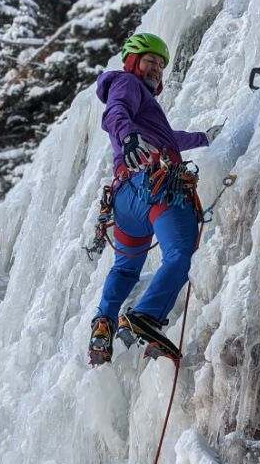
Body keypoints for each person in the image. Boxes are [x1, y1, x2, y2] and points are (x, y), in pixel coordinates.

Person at [88, 32, 215, 365]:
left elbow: (169, 138)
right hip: (155, 186)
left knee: (126, 269)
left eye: (160, 64)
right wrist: (128, 137)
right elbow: (114, 114)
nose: (156, 68)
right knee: (179, 253)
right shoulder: (126, 85)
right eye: (150, 60)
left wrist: (205, 136)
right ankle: (147, 315)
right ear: (131, 61)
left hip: (126, 202)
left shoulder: (145, 104)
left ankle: (104, 321)